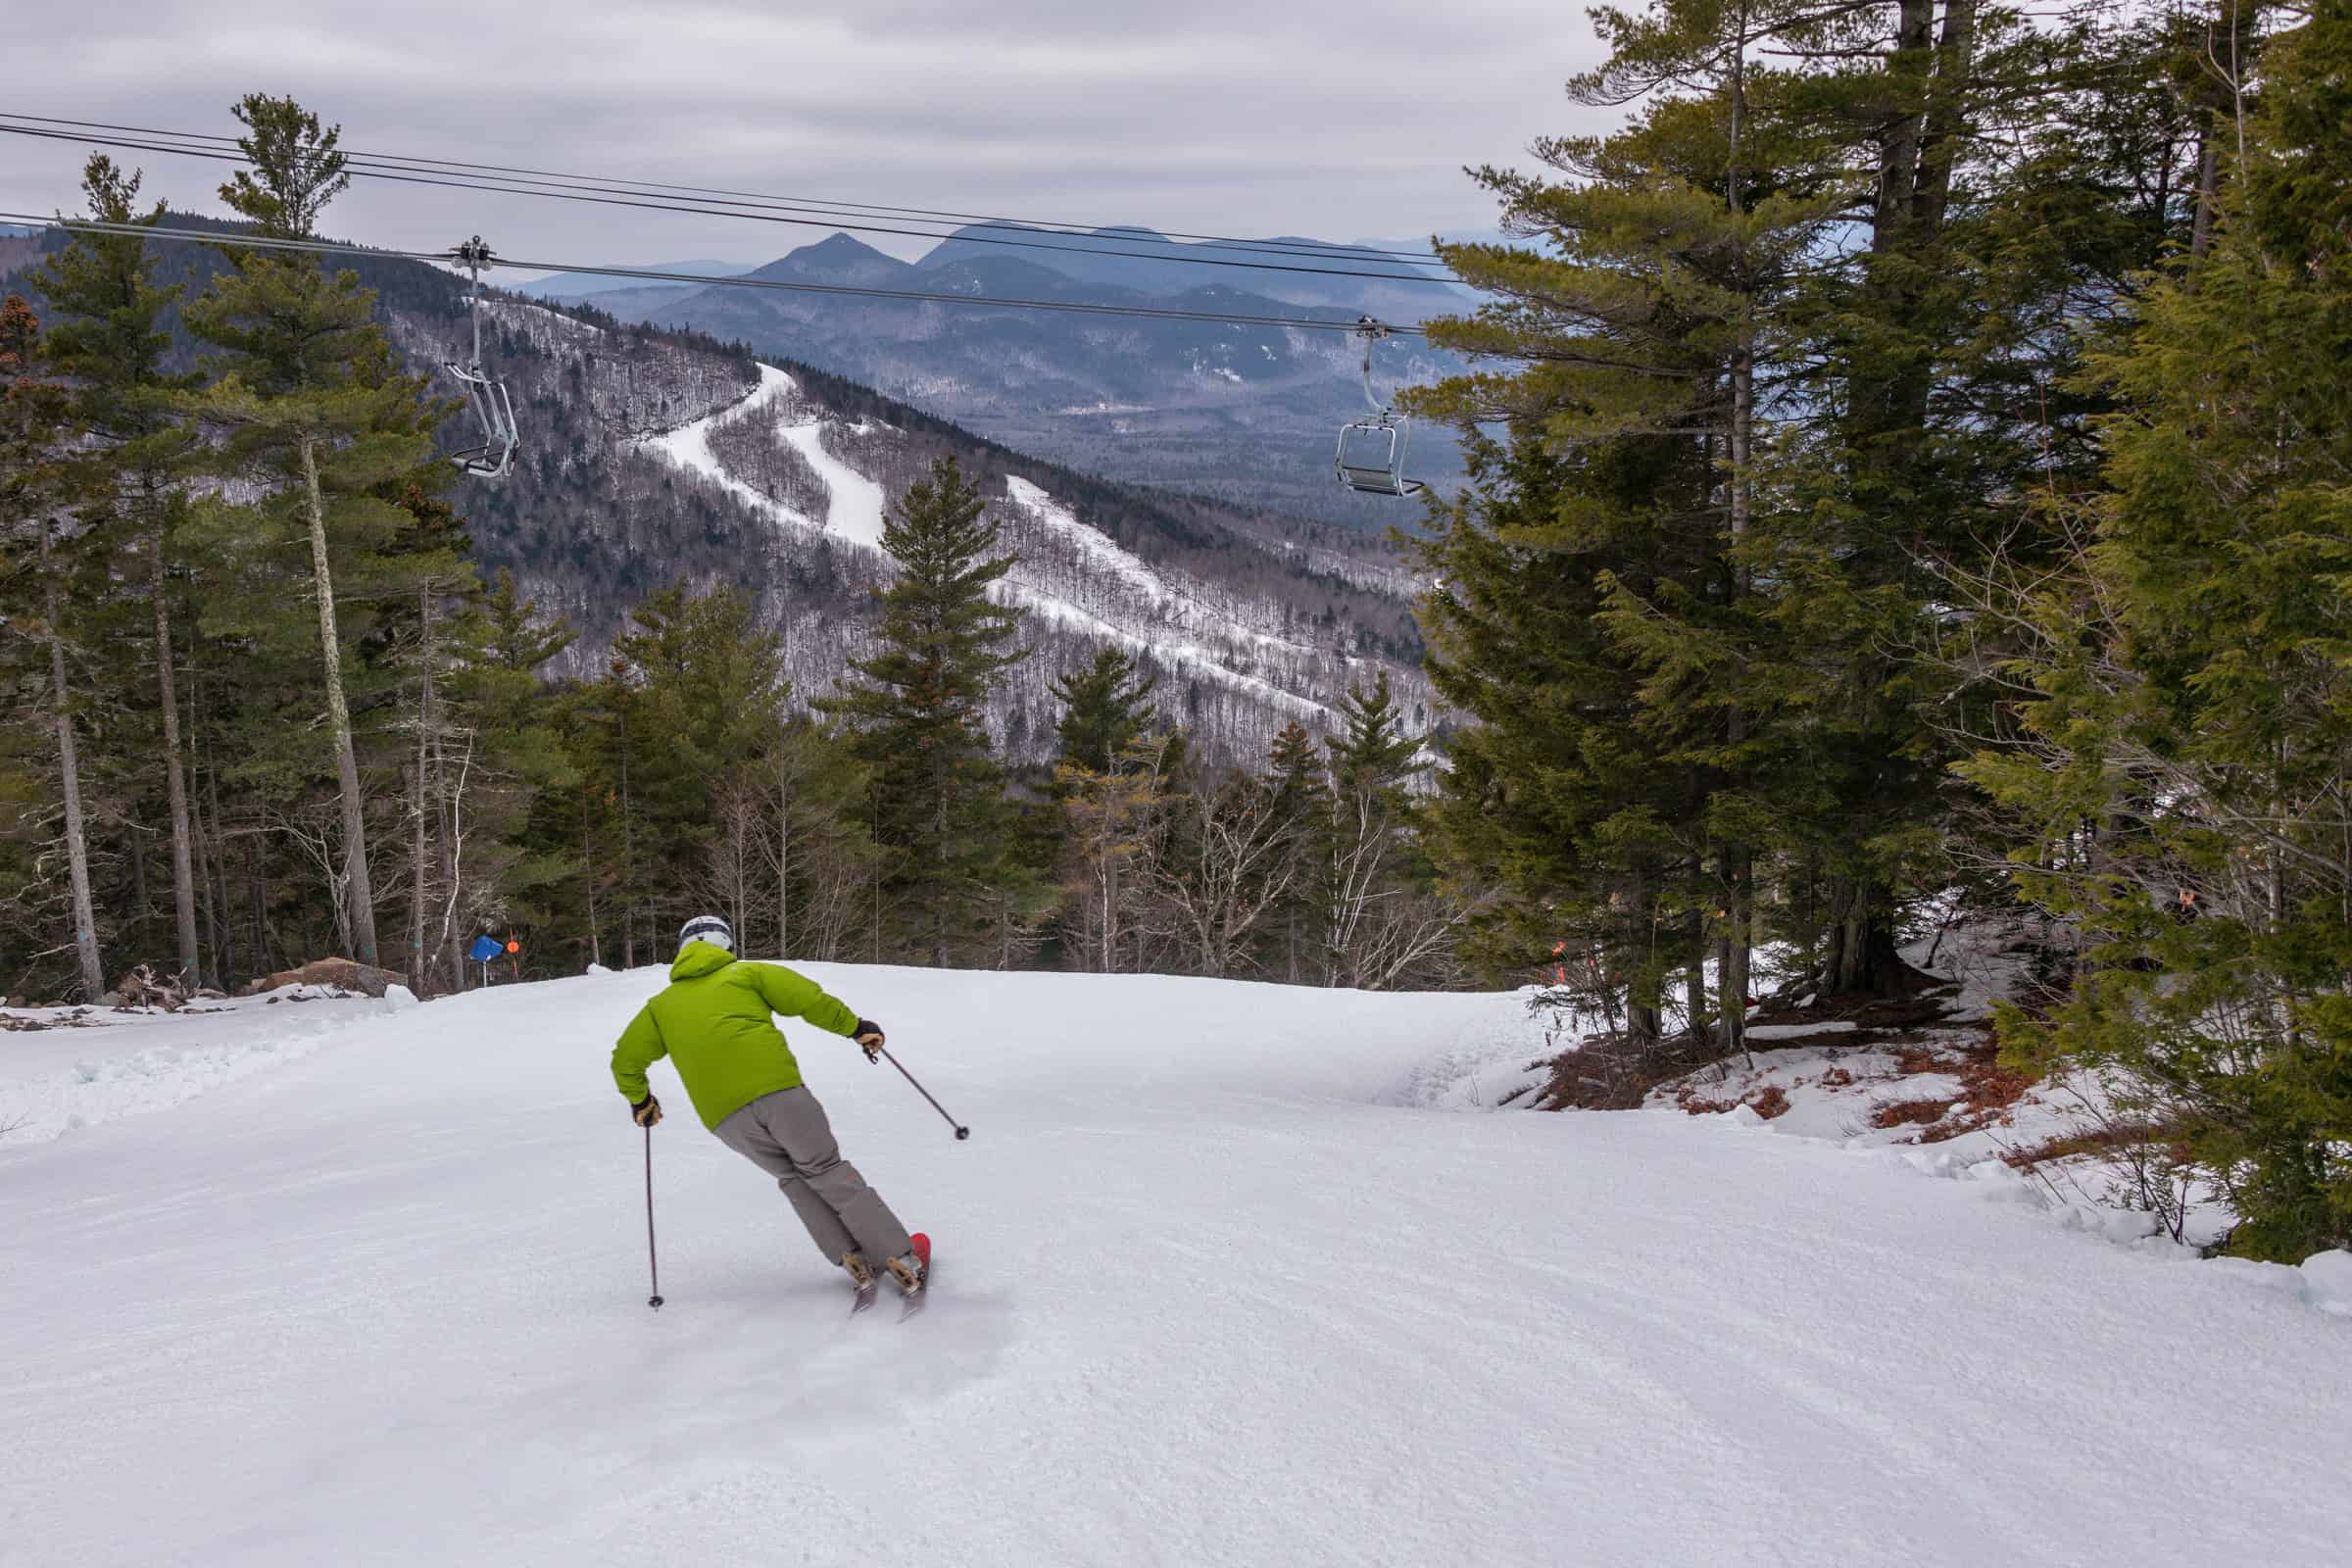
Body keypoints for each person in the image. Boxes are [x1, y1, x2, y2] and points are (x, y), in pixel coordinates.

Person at [612, 913, 926, 1302]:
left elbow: (625, 1060)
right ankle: (900, 1257)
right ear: (727, 946)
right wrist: (856, 1027)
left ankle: (853, 1258)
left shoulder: (659, 1007)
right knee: (824, 1169)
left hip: (726, 1119)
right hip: (779, 1094)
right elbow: (809, 1000)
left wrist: (641, 1100)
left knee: (793, 1179)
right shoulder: (746, 975)